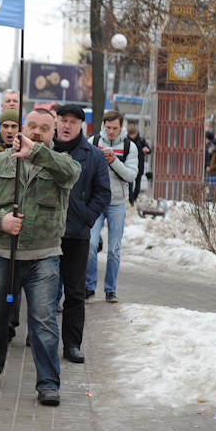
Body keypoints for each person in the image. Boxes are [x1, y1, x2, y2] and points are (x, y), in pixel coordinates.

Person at [0, 109, 81, 406]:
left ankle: (47, 383)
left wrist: (39, 153)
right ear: (22, 128)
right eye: (32, 126)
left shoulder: (61, 164)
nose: (37, 132)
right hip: (3, 254)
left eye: (45, 128)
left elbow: (72, 173)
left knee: (43, 322)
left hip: (44, 257)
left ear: (53, 133)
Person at [53, 105, 111, 363]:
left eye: (73, 122)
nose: (67, 126)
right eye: (63, 120)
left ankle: (72, 344)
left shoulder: (93, 155)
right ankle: (41, 336)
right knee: (43, 289)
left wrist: (86, 218)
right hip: (46, 233)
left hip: (76, 234)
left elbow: (103, 192)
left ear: (82, 127)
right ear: (56, 122)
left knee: (75, 293)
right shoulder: (45, 149)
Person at [86, 110, 138, 303]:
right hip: (96, 201)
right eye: (108, 128)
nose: (111, 132)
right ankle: (89, 286)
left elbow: (131, 175)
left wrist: (114, 161)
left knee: (114, 249)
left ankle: (110, 289)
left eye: (115, 128)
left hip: (117, 203)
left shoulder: (129, 146)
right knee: (90, 244)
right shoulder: (93, 142)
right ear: (103, 125)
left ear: (121, 127)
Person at [126, 124, 151, 205]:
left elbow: (149, 150)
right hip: (129, 165)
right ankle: (131, 200)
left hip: (139, 165)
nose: (132, 136)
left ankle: (134, 197)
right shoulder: (126, 141)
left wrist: (147, 150)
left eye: (133, 134)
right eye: (130, 134)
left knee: (137, 185)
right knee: (130, 183)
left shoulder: (141, 140)